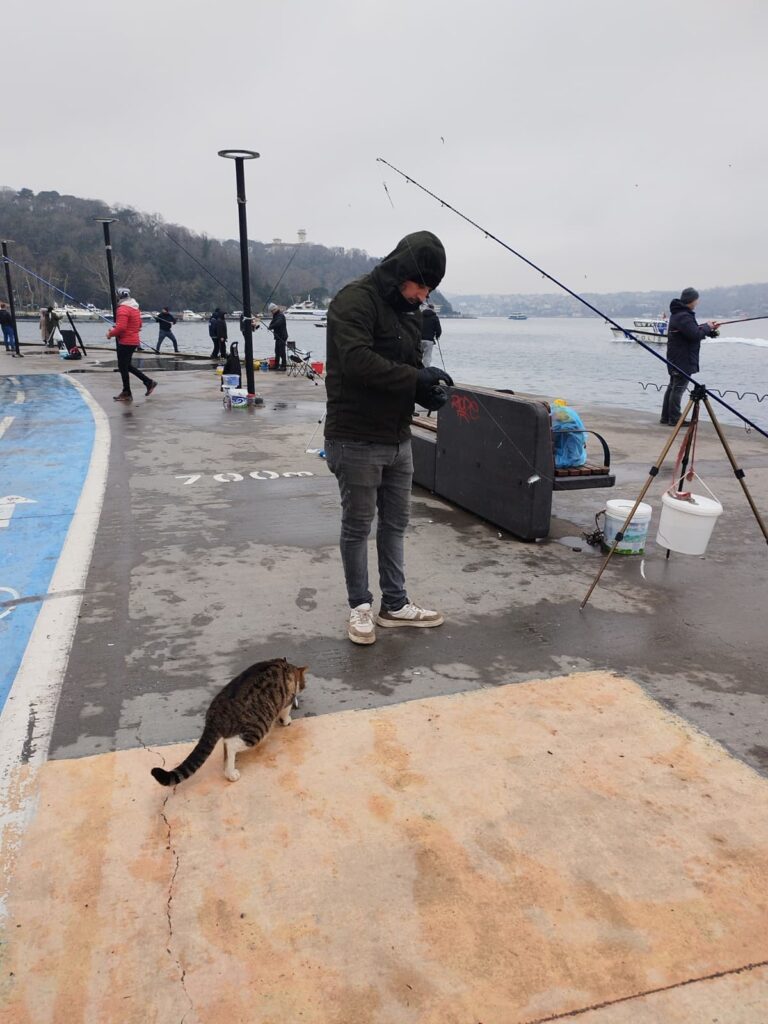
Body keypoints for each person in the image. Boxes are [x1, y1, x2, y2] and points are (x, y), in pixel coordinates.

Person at [324, 230, 453, 645]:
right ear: (402, 273)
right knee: (358, 525)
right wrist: (414, 379)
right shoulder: (354, 300)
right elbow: (357, 362)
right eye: (421, 286)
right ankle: (360, 606)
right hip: (355, 436)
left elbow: (410, 366)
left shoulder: (409, 311)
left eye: (429, 289)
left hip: (398, 437)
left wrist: (426, 390)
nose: (423, 296)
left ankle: (394, 604)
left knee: (395, 524)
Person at [661, 288, 719, 426]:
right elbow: (694, 334)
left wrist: (708, 329)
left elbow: (690, 331)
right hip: (683, 359)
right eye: (696, 300)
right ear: (692, 300)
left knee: (673, 386)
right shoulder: (684, 316)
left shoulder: (679, 314)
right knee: (678, 388)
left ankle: (666, 417)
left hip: (676, 357)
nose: (697, 302)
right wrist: (707, 327)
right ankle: (675, 419)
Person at [107, 287, 157, 403]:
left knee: (123, 366)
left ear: (119, 297)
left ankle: (128, 392)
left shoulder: (122, 309)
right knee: (126, 366)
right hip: (134, 341)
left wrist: (110, 333)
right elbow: (139, 325)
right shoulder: (135, 308)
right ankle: (147, 382)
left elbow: (121, 328)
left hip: (125, 342)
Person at [420, 301, 442, 367]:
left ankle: (417, 369)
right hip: (429, 340)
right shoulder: (435, 317)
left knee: (418, 355)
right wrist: (437, 336)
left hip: (419, 339)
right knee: (427, 356)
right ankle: (425, 369)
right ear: (433, 309)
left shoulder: (420, 316)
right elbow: (438, 329)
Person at [267, 303, 288, 371]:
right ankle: (276, 365)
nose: (271, 312)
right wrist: (270, 326)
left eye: (272, 311)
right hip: (278, 336)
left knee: (282, 351)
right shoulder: (275, 316)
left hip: (282, 336)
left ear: (275, 309)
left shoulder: (280, 315)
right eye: (271, 311)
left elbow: (278, 323)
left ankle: (284, 366)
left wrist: (271, 326)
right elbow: (272, 323)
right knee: (277, 351)